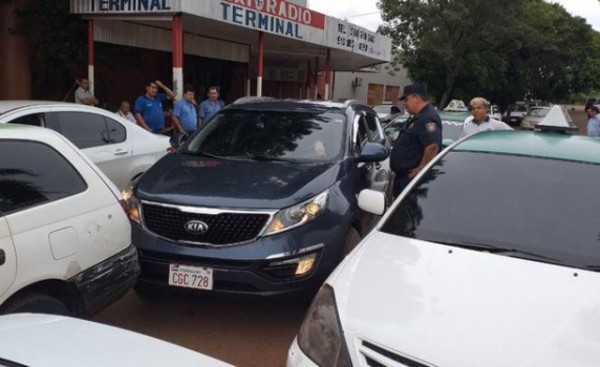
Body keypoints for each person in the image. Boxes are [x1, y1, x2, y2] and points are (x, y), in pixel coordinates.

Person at [390, 83, 442, 198]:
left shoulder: (427, 117)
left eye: (407, 99)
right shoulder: (418, 117)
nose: (404, 103)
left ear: (417, 98)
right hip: (403, 177)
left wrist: (422, 169)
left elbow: (432, 145)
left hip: (411, 179)